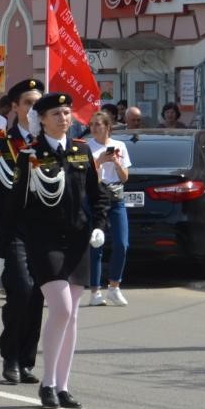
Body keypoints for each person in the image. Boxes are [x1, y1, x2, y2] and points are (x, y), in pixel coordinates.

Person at [13, 92, 109, 409]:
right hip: (45, 242)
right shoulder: (30, 154)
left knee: (73, 316)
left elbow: (98, 195)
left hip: (79, 239)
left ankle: (63, 386)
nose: (63, 119)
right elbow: (17, 205)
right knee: (62, 309)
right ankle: (47, 382)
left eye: (67, 113)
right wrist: (11, 246)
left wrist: (99, 225)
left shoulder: (81, 151)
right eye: (56, 114)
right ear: (41, 119)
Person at [0, 78, 46, 385]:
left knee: (37, 297)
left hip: (44, 233)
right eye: (29, 104)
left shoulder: (50, 145)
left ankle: (26, 360)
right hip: (13, 232)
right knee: (21, 291)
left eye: (38, 104)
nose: (33, 110)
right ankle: (10, 357)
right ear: (16, 107)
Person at [85, 111, 132, 306]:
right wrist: (99, 161)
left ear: (107, 127)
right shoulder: (87, 147)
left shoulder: (119, 146)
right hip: (96, 198)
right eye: (92, 124)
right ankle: (95, 291)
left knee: (122, 243)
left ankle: (114, 287)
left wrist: (115, 162)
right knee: (96, 244)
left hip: (116, 197)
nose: (94, 128)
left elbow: (124, 177)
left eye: (98, 124)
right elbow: (85, 177)